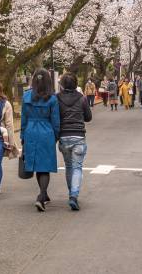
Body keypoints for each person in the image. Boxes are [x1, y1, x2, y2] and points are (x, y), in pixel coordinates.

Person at [21, 68, 60, 212]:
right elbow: (55, 120)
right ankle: (41, 196)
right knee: (45, 166)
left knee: (37, 165)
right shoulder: (52, 98)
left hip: (30, 130)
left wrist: (22, 137)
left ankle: (44, 195)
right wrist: (56, 136)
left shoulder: (26, 97)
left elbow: (23, 119)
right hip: (46, 131)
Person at [56, 73, 92, 211]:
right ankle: (73, 195)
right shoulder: (82, 99)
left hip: (64, 136)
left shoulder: (57, 98)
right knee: (77, 167)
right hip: (78, 136)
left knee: (69, 166)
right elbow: (88, 117)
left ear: (62, 84)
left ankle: (71, 193)